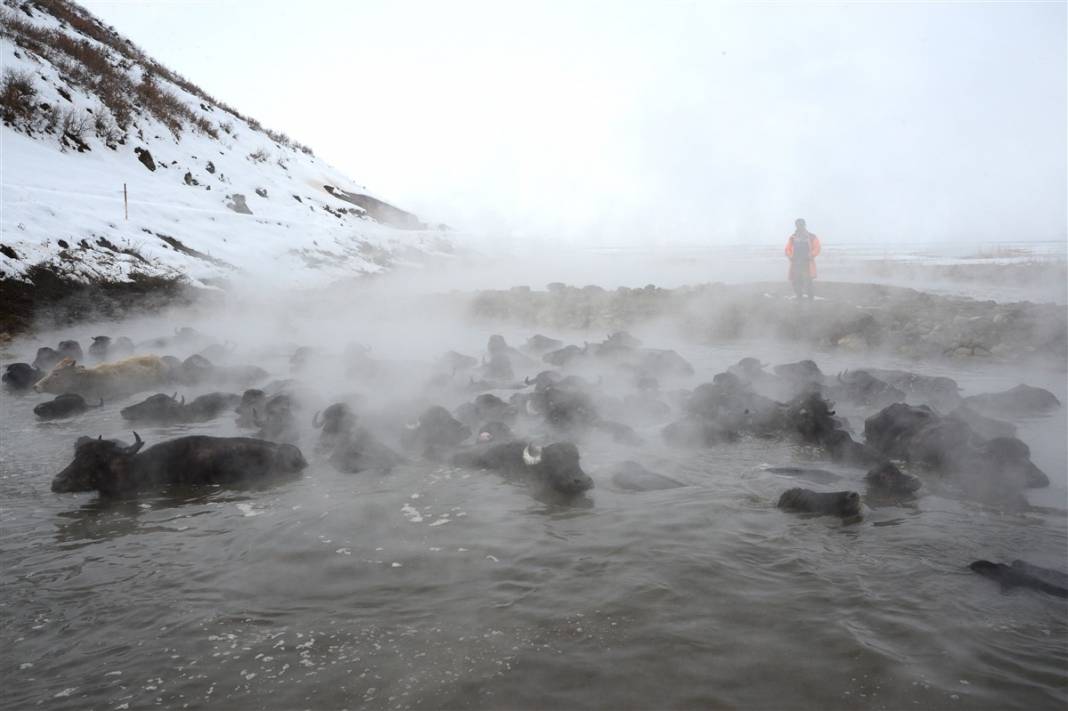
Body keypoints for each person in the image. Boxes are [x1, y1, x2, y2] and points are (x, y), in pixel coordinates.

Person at [784, 218, 821, 299]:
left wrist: (811, 255)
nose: (799, 227)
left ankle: (810, 297)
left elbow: (817, 248)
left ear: (804, 225)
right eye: (798, 225)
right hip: (796, 263)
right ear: (796, 226)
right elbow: (787, 249)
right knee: (795, 281)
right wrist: (790, 256)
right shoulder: (792, 237)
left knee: (808, 281)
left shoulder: (812, 237)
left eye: (801, 225)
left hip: (807, 263)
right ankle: (799, 296)